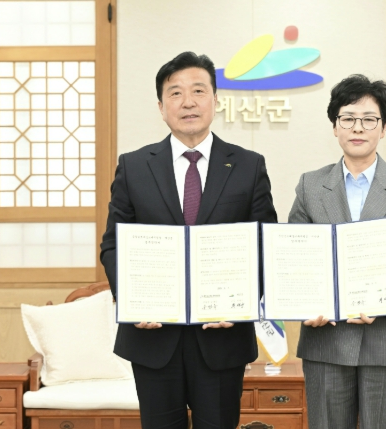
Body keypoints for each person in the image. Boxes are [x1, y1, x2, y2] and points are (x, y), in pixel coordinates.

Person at [100, 51, 277, 429]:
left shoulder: (248, 165)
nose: (188, 102)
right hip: (152, 338)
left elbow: (266, 244)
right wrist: (132, 301)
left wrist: (242, 303)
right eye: (176, 93)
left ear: (216, 100)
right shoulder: (134, 166)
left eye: (198, 90)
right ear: (161, 107)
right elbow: (113, 244)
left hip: (223, 337)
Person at [288, 74, 386, 429]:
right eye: (348, 118)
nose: (358, 127)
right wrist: (305, 304)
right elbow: (297, 258)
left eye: (369, 119)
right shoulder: (311, 185)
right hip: (327, 340)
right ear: (335, 126)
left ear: (383, 128)